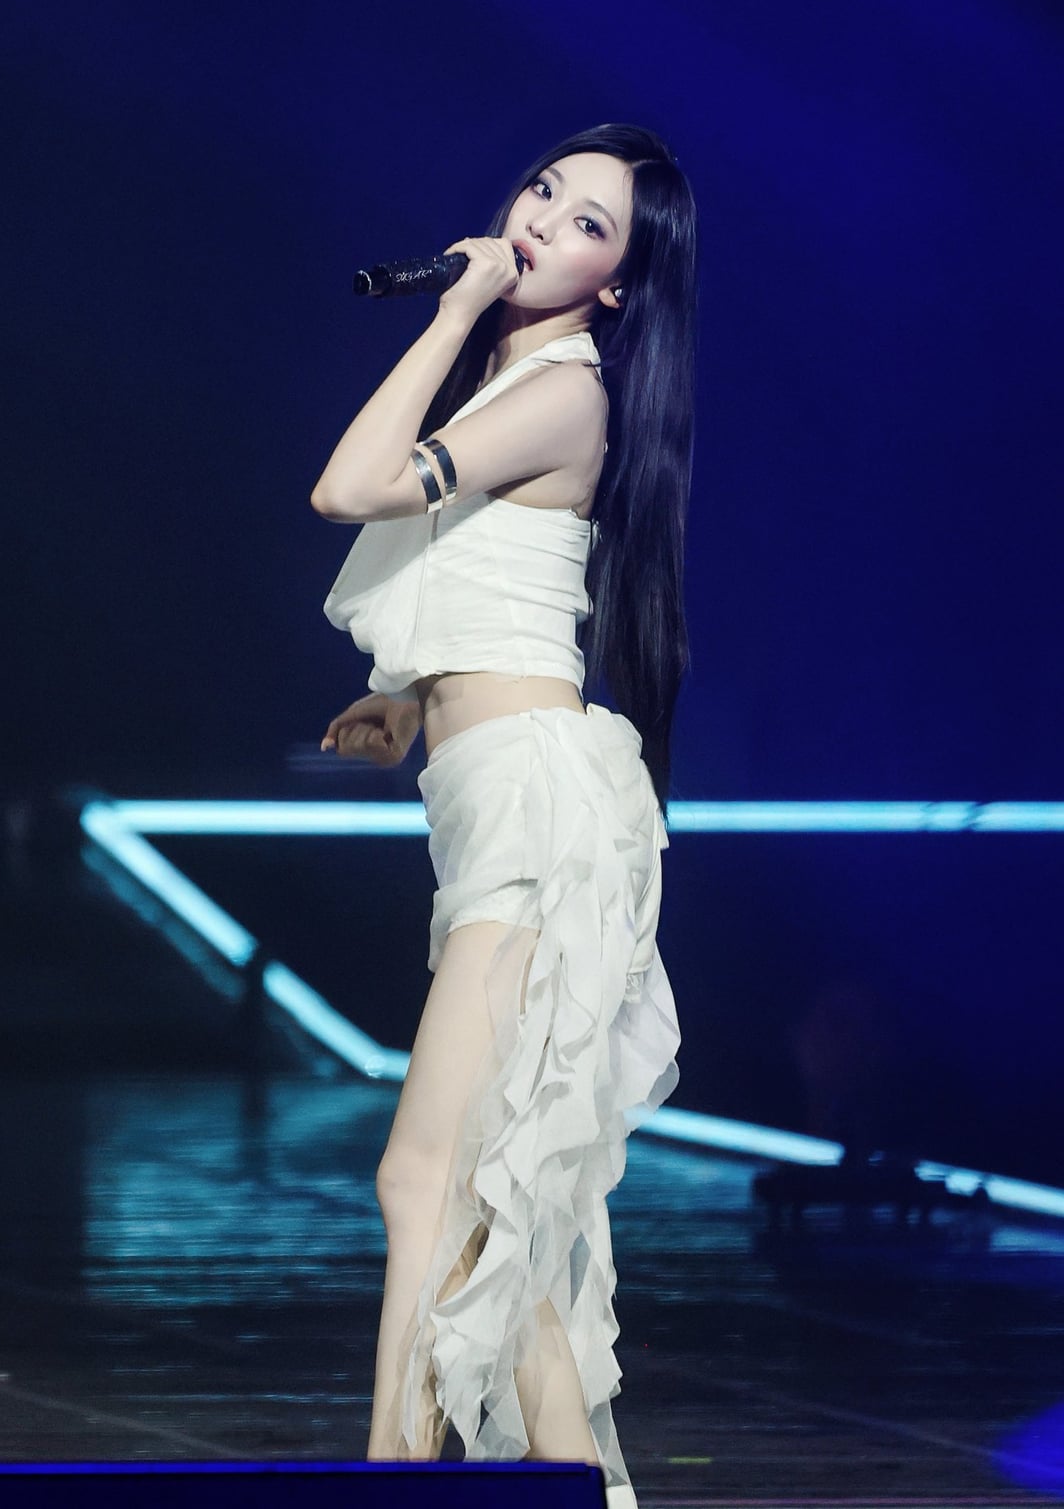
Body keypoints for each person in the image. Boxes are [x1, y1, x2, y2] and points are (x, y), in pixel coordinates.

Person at [310, 123, 697, 1508]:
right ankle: (582, 1490)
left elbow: (349, 489)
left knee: (426, 1179)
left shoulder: (565, 391)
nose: (539, 220)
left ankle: (392, 1483)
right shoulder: (519, 382)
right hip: (491, 801)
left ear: (618, 282)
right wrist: (406, 700)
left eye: (587, 221)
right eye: (542, 190)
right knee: (503, 1209)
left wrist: (453, 306)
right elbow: (497, 580)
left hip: (539, 814)